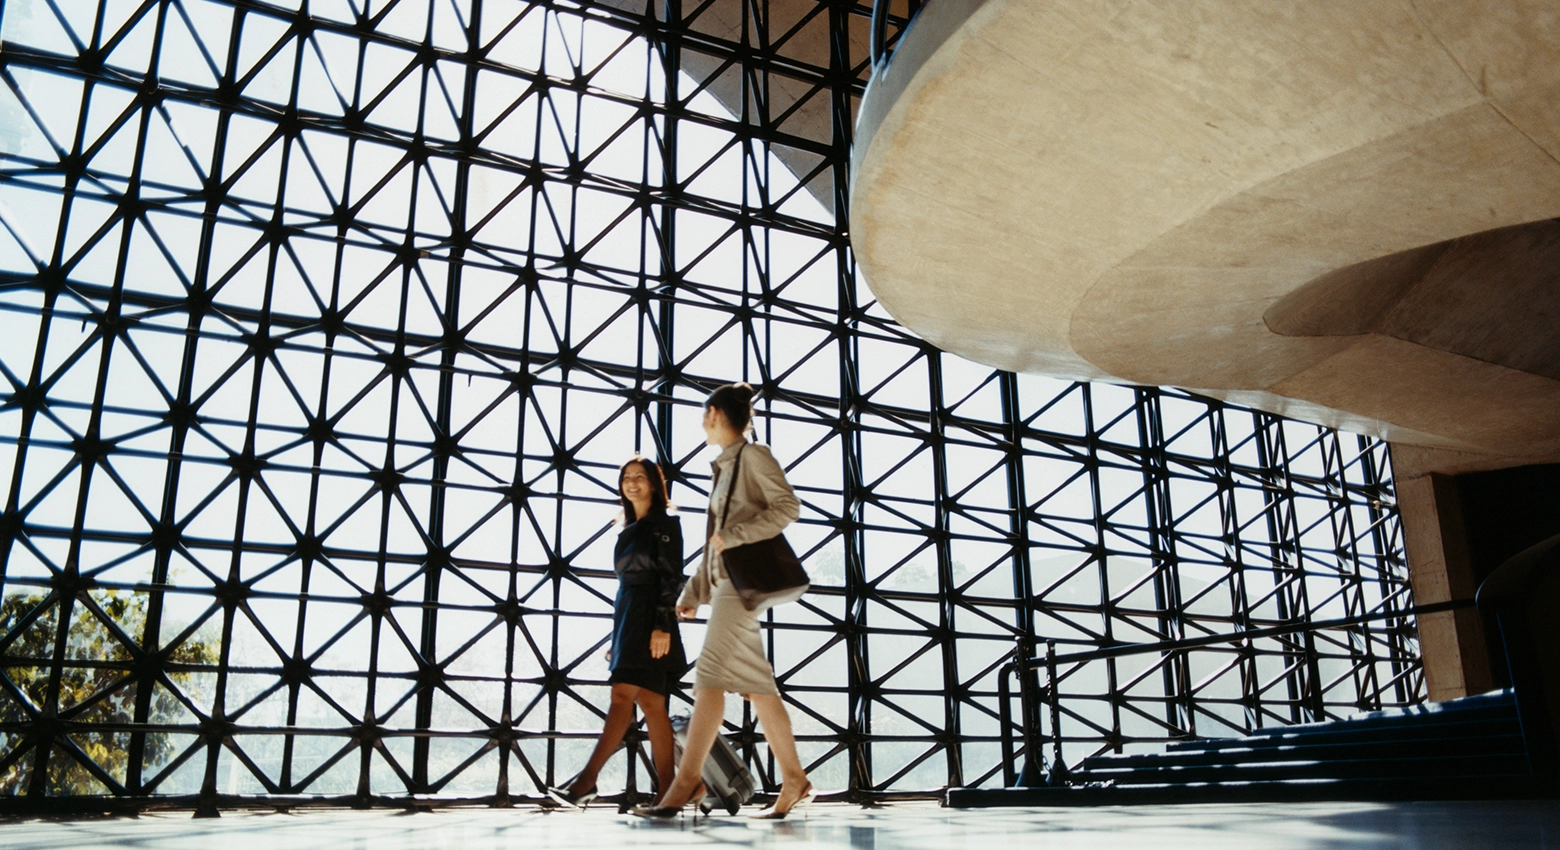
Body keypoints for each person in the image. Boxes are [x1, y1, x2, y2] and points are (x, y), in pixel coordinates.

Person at [631, 382, 813, 820]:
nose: (702, 424)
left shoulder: (753, 456)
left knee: (709, 676)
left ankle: (686, 784)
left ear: (714, 413)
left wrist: (737, 534)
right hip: (726, 584)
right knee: (760, 688)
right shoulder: (726, 467)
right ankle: (794, 779)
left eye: (703, 415)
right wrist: (694, 591)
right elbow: (716, 540)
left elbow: (787, 507)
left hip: (738, 587)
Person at [547, 457, 687, 808]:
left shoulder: (665, 524)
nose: (632, 482)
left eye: (640, 477)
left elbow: (671, 576)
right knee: (652, 704)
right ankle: (672, 789)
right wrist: (617, 637)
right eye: (626, 477)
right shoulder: (628, 528)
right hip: (629, 617)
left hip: (649, 616)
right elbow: (627, 586)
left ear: (654, 484)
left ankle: (586, 781)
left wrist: (662, 625)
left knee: (622, 696)